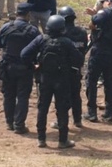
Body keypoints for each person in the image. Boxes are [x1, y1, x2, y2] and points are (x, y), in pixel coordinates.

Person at [21, 15, 83, 149]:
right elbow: (79, 60)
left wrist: (33, 66)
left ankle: (41, 139)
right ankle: (63, 140)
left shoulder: (41, 39)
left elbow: (24, 54)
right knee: (62, 109)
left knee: (42, 108)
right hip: (62, 80)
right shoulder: (66, 42)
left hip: (44, 79)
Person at [0, 3, 40, 134]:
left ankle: (9, 122)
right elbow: (38, 49)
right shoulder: (33, 30)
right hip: (25, 67)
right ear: (28, 15)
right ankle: (19, 125)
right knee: (22, 96)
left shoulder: (6, 27)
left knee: (8, 95)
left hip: (7, 66)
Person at [83, 0, 112, 123]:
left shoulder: (106, 12)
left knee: (91, 81)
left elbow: (94, 23)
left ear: (108, 2)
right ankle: (109, 113)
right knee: (110, 83)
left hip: (100, 51)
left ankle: (92, 112)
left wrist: (93, 19)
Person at [51, 6, 88, 129]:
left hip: (62, 70)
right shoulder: (82, 32)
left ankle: (60, 121)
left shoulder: (62, 35)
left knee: (61, 97)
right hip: (76, 69)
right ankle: (77, 119)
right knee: (76, 95)